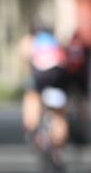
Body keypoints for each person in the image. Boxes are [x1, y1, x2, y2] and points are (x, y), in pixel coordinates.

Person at [19, 25, 69, 164]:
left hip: (40, 72)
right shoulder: (56, 41)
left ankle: (32, 128)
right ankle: (58, 146)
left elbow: (26, 58)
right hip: (59, 72)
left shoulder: (31, 40)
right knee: (59, 113)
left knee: (32, 96)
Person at [65, 29, 91, 146]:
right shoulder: (86, 47)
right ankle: (83, 131)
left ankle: (66, 131)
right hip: (82, 80)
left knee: (67, 105)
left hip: (70, 79)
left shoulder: (68, 47)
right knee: (82, 106)